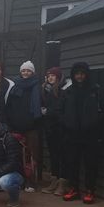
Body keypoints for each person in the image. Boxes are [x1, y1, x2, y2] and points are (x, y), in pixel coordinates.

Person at [59, 62, 104, 204]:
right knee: (72, 163)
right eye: (77, 74)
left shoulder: (96, 91)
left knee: (91, 164)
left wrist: (96, 121)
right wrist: (66, 123)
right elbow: (58, 111)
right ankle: (74, 189)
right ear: (73, 75)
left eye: (82, 73)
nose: (80, 76)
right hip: (72, 134)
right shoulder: (68, 92)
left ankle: (90, 190)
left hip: (91, 135)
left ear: (87, 74)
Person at [4, 60, 42, 190]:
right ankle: (19, 180)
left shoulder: (37, 87)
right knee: (17, 155)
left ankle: (31, 181)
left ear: (32, 72)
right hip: (15, 127)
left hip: (31, 127)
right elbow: (8, 107)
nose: (26, 73)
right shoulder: (14, 87)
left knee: (32, 156)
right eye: (24, 70)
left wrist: (34, 122)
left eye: (28, 70)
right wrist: (10, 123)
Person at [40, 67, 66, 195]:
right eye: (48, 75)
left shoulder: (62, 91)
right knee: (53, 156)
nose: (50, 78)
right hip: (49, 129)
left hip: (60, 129)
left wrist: (47, 112)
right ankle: (54, 181)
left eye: (53, 76)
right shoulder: (46, 90)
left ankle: (62, 183)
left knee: (62, 156)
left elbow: (59, 110)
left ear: (58, 77)